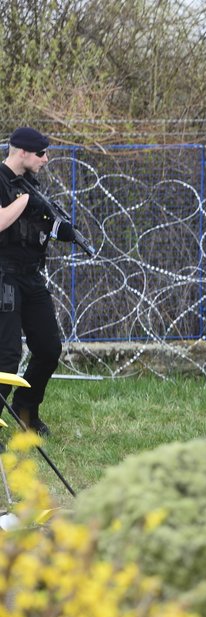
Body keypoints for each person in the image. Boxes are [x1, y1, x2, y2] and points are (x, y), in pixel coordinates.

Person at [0, 127, 66, 435]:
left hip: (31, 275)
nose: (46, 159)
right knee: (7, 357)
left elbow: (37, 224)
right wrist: (26, 201)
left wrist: (58, 228)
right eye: (41, 153)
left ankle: (26, 409)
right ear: (23, 152)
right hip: (4, 277)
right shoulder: (2, 180)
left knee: (49, 348)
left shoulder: (29, 184)